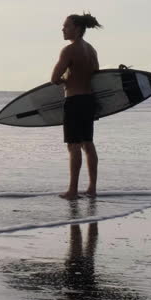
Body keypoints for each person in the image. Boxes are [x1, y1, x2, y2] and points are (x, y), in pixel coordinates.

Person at [51, 13, 102, 199]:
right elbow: (96, 76)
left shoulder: (69, 50)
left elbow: (54, 78)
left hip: (74, 101)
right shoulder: (91, 50)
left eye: (66, 26)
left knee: (73, 146)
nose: (63, 29)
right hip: (89, 101)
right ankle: (92, 188)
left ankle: (72, 190)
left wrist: (65, 80)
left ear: (77, 29)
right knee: (88, 144)